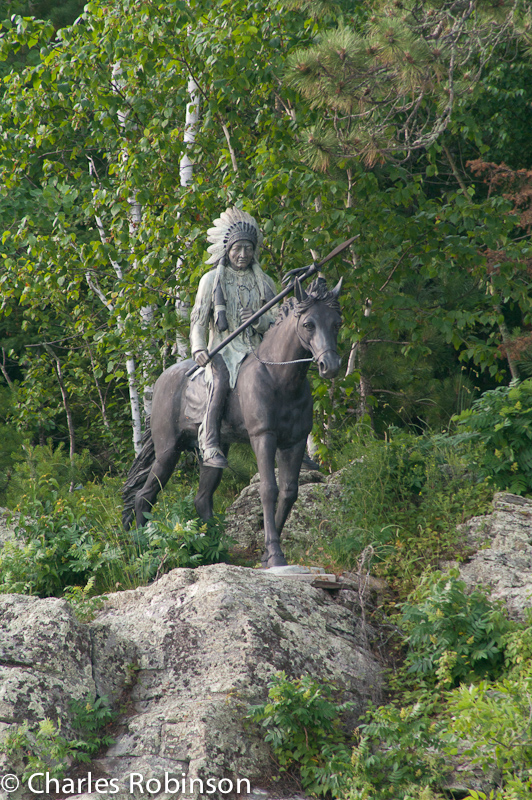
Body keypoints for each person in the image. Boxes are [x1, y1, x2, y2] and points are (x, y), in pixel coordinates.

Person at [189, 207, 277, 468]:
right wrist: (198, 348)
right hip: (223, 350)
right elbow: (198, 320)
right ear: (227, 249)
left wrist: (259, 320)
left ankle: (292, 442)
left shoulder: (265, 282)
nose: (243, 254)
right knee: (220, 380)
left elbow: (277, 321)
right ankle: (210, 441)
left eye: (248, 249)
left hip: (257, 350)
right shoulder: (211, 280)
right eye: (238, 248)